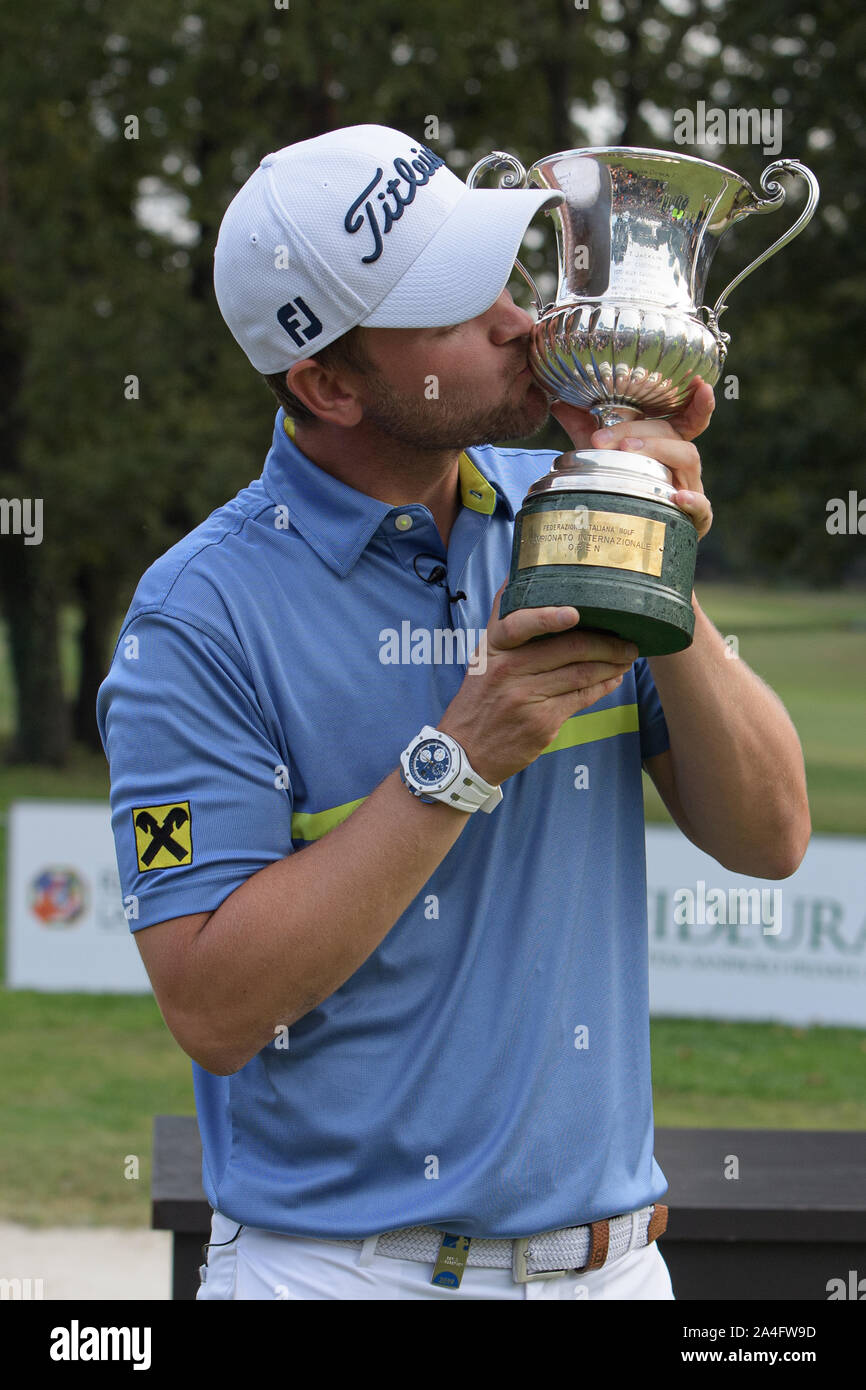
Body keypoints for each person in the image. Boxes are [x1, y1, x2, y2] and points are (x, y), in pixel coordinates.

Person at [96, 124, 810, 1301]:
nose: (518, 323)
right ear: (327, 384)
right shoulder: (196, 617)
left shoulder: (564, 506)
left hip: (614, 1266)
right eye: (447, 312)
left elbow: (768, 835)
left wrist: (655, 560)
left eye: (501, 276)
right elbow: (211, 1004)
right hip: (343, 1275)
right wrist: (460, 756)